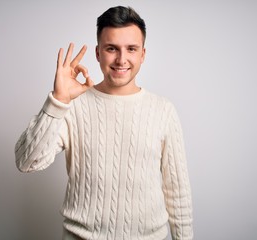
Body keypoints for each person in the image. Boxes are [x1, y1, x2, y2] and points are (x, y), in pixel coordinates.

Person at [15, 6, 193, 240]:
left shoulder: (163, 110)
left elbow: (177, 193)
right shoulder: (72, 105)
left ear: (143, 54)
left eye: (131, 49)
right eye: (112, 49)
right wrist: (58, 100)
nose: (121, 59)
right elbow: (27, 162)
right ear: (98, 53)